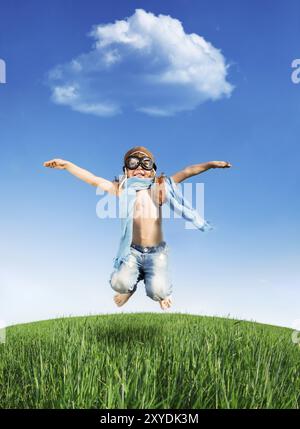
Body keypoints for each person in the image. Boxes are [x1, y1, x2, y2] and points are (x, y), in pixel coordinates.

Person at [43, 146, 231, 310]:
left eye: (145, 164)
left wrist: (211, 164)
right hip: (132, 252)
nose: (139, 168)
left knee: (158, 292)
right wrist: (67, 165)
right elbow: (92, 179)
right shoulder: (121, 189)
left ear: (152, 171)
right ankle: (130, 288)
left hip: (157, 253)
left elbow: (189, 171)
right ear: (126, 170)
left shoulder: (159, 187)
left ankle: (163, 292)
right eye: (133, 164)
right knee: (119, 284)